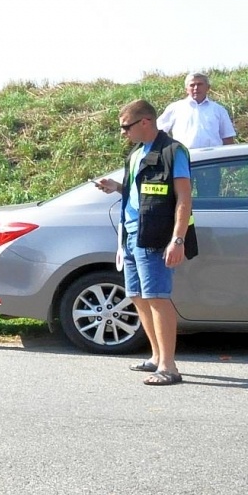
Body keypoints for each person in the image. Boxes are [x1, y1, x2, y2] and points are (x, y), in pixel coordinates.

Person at [93, 100, 193, 386]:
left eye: (126, 127)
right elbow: (142, 194)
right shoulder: (137, 153)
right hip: (132, 234)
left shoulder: (174, 152)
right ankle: (156, 356)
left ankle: (169, 367)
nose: (123, 133)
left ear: (145, 122)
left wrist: (177, 239)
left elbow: (183, 199)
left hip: (157, 235)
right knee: (137, 295)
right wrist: (117, 188)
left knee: (157, 297)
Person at [157, 72, 237, 149]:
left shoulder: (219, 110)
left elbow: (228, 138)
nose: (196, 88)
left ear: (208, 87)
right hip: (184, 157)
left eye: (199, 84)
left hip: (213, 158)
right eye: (192, 85)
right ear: (186, 89)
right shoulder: (175, 108)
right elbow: (157, 131)